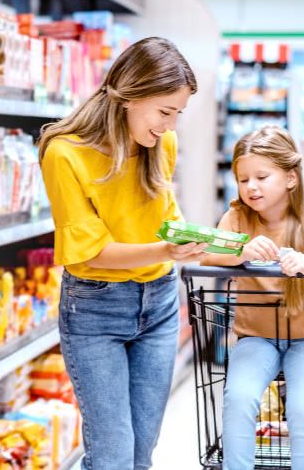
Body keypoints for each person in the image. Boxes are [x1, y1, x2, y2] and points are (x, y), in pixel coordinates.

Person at [38, 37, 207, 470]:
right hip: (96, 308)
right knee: (112, 455)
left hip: (160, 305)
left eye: (177, 115)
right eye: (164, 112)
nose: (169, 127)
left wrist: (212, 237)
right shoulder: (65, 153)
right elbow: (89, 252)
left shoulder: (160, 147)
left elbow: (166, 216)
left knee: (140, 454)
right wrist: (167, 249)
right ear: (130, 94)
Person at [201, 125, 304, 470]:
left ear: (290, 178)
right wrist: (241, 250)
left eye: (262, 176)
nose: (251, 186)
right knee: (238, 399)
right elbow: (207, 256)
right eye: (243, 178)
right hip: (256, 338)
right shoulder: (236, 218)